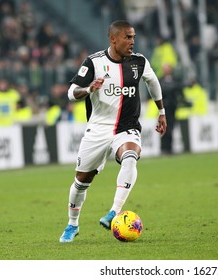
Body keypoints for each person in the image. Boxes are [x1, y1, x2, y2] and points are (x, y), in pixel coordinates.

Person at [59, 20, 167, 242]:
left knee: (130, 157)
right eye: (127, 37)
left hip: (126, 128)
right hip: (98, 129)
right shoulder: (94, 63)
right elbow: (71, 92)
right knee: (81, 181)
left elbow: (153, 82)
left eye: (133, 37)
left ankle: (113, 212)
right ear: (113, 39)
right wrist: (89, 89)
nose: (132, 42)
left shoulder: (139, 62)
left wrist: (162, 111)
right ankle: (72, 225)